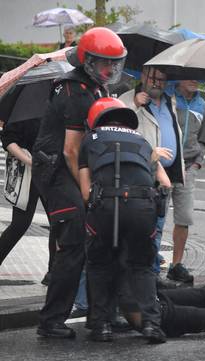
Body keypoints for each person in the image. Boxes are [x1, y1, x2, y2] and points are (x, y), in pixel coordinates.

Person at [32, 27, 126, 338]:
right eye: (104, 63)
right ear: (87, 61)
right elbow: (71, 150)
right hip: (57, 171)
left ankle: (98, 314)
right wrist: (86, 193)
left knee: (89, 240)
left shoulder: (94, 87)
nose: (111, 70)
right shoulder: (74, 91)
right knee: (73, 242)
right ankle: (51, 321)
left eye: (115, 63)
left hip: (66, 167)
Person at [79, 97, 171, 343]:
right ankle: (152, 325)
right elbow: (166, 183)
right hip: (143, 207)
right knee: (142, 267)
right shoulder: (143, 141)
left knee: (99, 265)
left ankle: (101, 326)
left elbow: (85, 190)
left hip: (106, 205)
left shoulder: (90, 139)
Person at [119, 67, 190, 283]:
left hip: (166, 175)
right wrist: (134, 104)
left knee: (157, 227)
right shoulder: (127, 99)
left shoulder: (170, 101)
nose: (158, 83)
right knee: (140, 228)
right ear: (143, 77)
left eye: (162, 79)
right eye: (153, 78)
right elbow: (118, 129)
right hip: (141, 173)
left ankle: (149, 274)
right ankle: (137, 276)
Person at [0, 117, 55, 276]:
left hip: (51, 172)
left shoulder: (56, 103)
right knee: (20, 224)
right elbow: (8, 139)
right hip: (27, 172)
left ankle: (52, 273)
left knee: (58, 223)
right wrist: (29, 160)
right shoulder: (24, 108)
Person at [169, 80, 205, 282]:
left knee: (184, 218)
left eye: (198, 77)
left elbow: (204, 138)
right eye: (190, 76)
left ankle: (176, 264)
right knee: (155, 217)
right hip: (166, 165)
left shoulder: (202, 104)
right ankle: (149, 262)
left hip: (188, 168)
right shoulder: (169, 98)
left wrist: (197, 163)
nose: (195, 81)